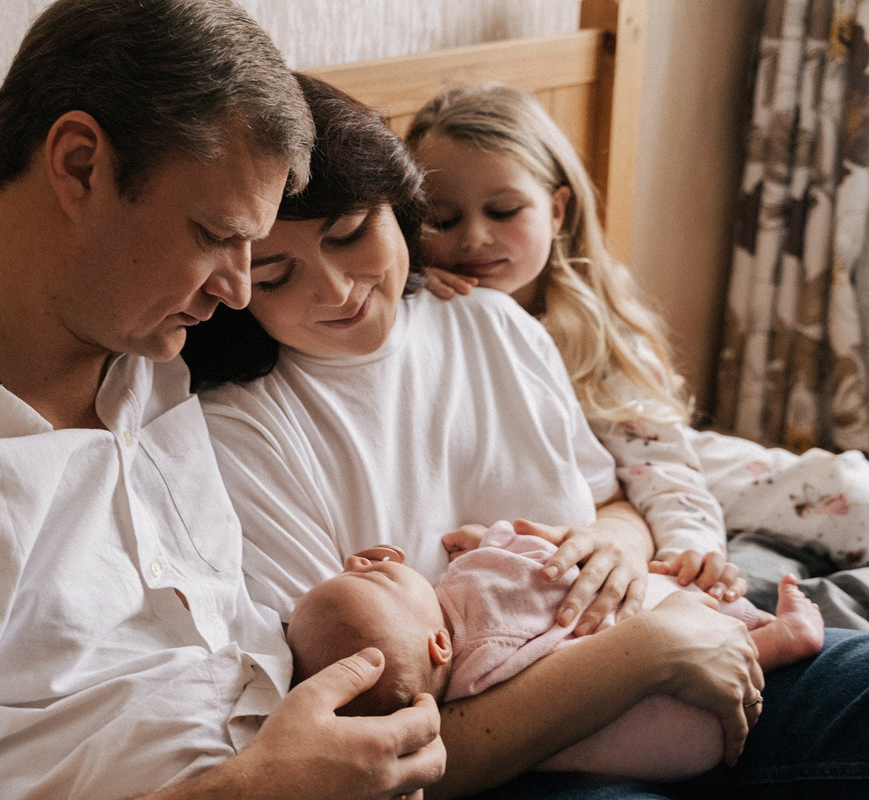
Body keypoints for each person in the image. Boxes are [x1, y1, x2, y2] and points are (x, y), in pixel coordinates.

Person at [0, 3, 447, 799]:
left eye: (251, 251)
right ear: (81, 165)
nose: (237, 290)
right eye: (214, 236)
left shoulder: (147, 338)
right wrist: (254, 790)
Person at [183, 71, 869, 798]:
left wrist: (619, 545)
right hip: (516, 758)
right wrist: (649, 652)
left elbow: (612, 500)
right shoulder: (240, 434)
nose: (336, 289)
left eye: (351, 235)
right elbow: (367, 750)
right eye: (277, 275)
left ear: (399, 207)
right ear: (233, 284)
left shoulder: (493, 321)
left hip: (691, 648)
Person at [403, 83, 869, 612]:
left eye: (504, 210)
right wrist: (410, 286)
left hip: (667, 463)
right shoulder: (421, 316)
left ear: (557, 210)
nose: (473, 238)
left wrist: (690, 547)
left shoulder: (587, 323)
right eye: (442, 220)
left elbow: (662, 463)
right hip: (630, 486)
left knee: (846, 491)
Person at [288, 528, 825, 783]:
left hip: (674, 750)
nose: (359, 563)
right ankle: (781, 639)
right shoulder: (474, 585)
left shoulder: (463, 688)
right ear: (439, 644)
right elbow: (538, 559)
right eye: (376, 578)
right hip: (694, 690)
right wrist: (489, 538)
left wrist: (624, 541)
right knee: (671, 612)